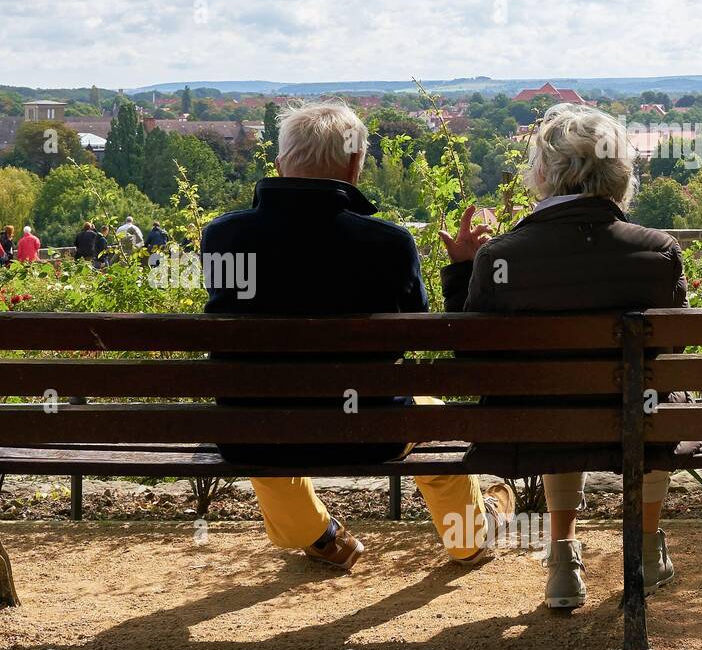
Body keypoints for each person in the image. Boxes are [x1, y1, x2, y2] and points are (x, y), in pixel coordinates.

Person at [202, 101, 513, 570]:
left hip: (254, 430)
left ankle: (319, 536)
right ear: (354, 165)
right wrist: (464, 269)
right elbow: (420, 334)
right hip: (369, 432)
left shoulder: (222, 237)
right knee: (436, 420)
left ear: (281, 165)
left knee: (257, 408)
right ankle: (470, 536)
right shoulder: (389, 242)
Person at [439, 102, 687, 609]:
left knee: (555, 395)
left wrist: (463, 270)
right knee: (653, 396)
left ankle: (562, 560)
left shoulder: (501, 256)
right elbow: (672, 349)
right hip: (634, 420)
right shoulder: (658, 251)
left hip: (534, 425)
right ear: (619, 172)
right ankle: (643, 552)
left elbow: (467, 357)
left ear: (544, 174)